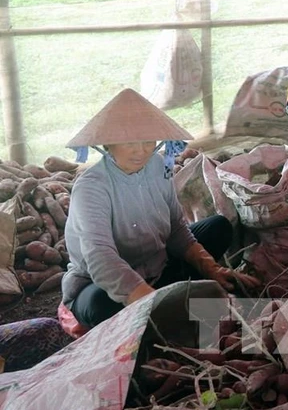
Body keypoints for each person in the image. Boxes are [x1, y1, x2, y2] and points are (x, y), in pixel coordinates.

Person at [61, 89, 261, 329]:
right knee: (97, 305)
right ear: (108, 144)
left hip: (158, 265)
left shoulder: (159, 166)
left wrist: (211, 267)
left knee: (218, 227)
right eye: (129, 143)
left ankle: (171, 292)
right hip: (100, 284)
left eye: (148, 141)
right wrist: (152, 301)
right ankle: (165, 299)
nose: (141, 150)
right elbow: (101, 258)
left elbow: (177, 228)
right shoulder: (91, 187)